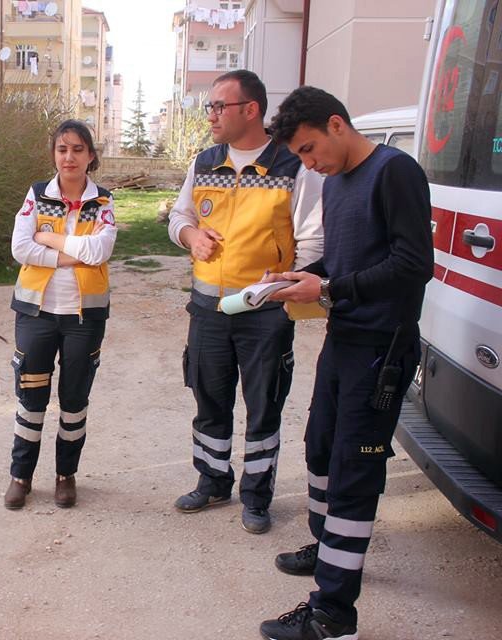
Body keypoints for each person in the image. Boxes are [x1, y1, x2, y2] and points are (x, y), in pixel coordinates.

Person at [258, 86, 433, 640]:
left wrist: (330, 286)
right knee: (320, 450)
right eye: (302, 157)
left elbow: (413, 264)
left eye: (310, 150)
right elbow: (343, 258)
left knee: (355, 473)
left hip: (382, 348)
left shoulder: (395, 171)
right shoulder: (334, 184)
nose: (309, 164)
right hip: (344, 339)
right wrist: (299, 275)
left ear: (337, 124)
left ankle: (333, 615)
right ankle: (328, 545)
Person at [166, 69, 324, 534]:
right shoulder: (205, 162)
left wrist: (286, 280)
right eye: (210, 106)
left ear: (250, 110)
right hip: (208, 310)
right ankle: (213, 480)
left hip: (265, 314)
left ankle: (256, 496)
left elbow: (313, 242)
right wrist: (191, 234)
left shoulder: (291, 166)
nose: (211, 115)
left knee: (263, 404)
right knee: (209, 399)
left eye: (219, 106)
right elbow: (179, 216)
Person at [4, 119, 117, 510]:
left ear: (90, 156)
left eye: (77, 149)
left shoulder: (103, 201)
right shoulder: (37, 195)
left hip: (84, 318)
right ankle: (21, 476)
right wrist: (72, 254)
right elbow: (21, 248)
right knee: (30, 398)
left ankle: (65, 476)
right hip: (37, 314)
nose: (69, 157)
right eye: (62, 149)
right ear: (54, 154)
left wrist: (48, 238)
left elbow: (100, 251)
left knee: (73, 401)